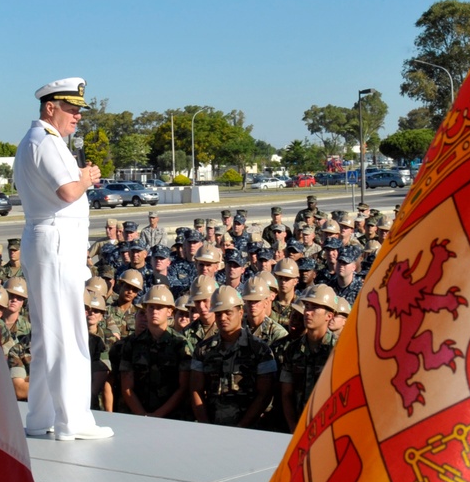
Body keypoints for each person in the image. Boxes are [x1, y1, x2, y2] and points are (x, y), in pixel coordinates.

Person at [14, 77, 112, 441]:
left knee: (48, 332)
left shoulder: (31, 141)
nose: (77, 117)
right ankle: (73, 422)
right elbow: (68, 190)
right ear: (50, 107)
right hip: (55, 242)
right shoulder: (48, 141)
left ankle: (41, 417)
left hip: (46, 240)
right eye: (71, 109)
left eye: (79, 111)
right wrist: (85, 177)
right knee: (68, 333)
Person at [189, 285, 277, 427]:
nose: (222, 318)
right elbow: (196, 390)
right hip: (212, 426)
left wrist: (241, 427)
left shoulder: (260, 350)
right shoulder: (203, 349)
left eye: (228, 313)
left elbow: (265, 394)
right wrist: (205, 425)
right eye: (218, 314)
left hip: (249, 429)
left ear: (240, 313)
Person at [119, 285, 192, 419]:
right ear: (145, 310)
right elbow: (127, 387)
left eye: (160, 307)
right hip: (138, 415)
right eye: (151, 307)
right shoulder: (132, 344)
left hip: (172, 417)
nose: (155, 312)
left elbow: (183, 387)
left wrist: (157, 415)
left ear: (170, 311)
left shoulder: (180, 344)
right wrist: (142, 415)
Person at [280, 284, 344, 429]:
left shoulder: (339, 350)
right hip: (297, 427)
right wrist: (293, 427)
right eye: (307, 306)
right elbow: (286, 394)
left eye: (314, 308)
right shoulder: (293, 350)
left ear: (329, 316)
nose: (308, 313)